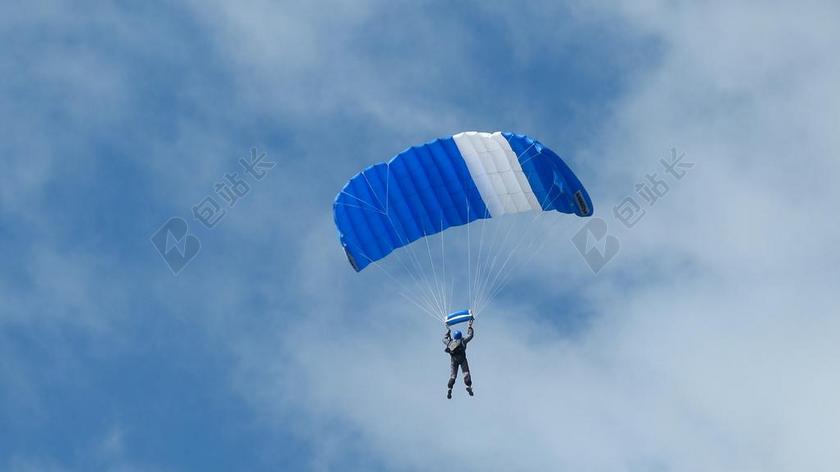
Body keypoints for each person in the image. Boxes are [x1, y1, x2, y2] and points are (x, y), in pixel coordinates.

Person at [443, 319, 474, 399]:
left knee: (453, 376)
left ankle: (449, 388)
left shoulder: (450, 343)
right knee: (466, 373)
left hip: (454, 361)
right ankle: (469, 386)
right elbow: (470, 336)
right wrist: (470, 326)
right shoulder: (463, 341)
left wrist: (448, 331)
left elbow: (444, 339)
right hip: (462, 360)